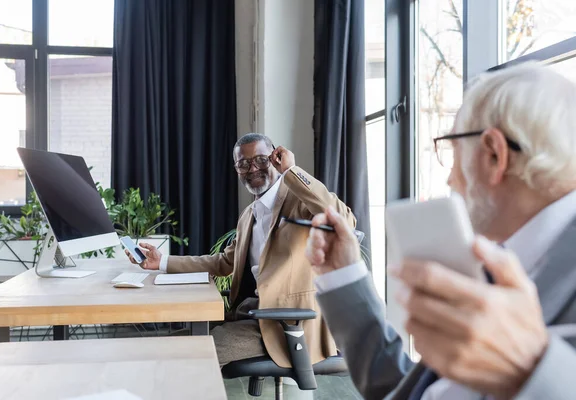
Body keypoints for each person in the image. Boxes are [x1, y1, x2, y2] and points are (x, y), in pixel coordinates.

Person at [305, 62, 576, 399]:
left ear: (494, 154)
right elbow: (410, 391)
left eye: (452, 149)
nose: (450, 179)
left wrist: (530, 370)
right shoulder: (503, 260)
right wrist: (341, 276)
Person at [128, 133, 356, 367]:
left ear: (276, 159)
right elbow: (223, 262)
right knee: (164, 348)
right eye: (243, 164)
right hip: (250, 316)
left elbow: (344, 221)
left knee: (185, 357)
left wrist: (292, 171)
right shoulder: (250, 215)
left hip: (285, 326)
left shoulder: (300, 202)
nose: (252, 168)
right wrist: (162, 261)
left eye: (261, 160)